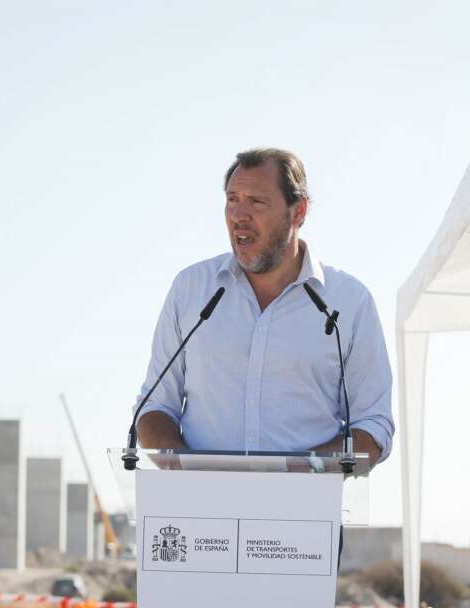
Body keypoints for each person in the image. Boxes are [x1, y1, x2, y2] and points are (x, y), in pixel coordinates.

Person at [134, 148, 394, 468]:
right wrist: (190, 472)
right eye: (232, 200)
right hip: (201, 511)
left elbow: (373, 425)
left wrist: (302, 473)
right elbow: (154, 407)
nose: (239, 215)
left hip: (304, 511)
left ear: (298, 212)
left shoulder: (350, 303)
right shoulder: (190, 289)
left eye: (256, 202)